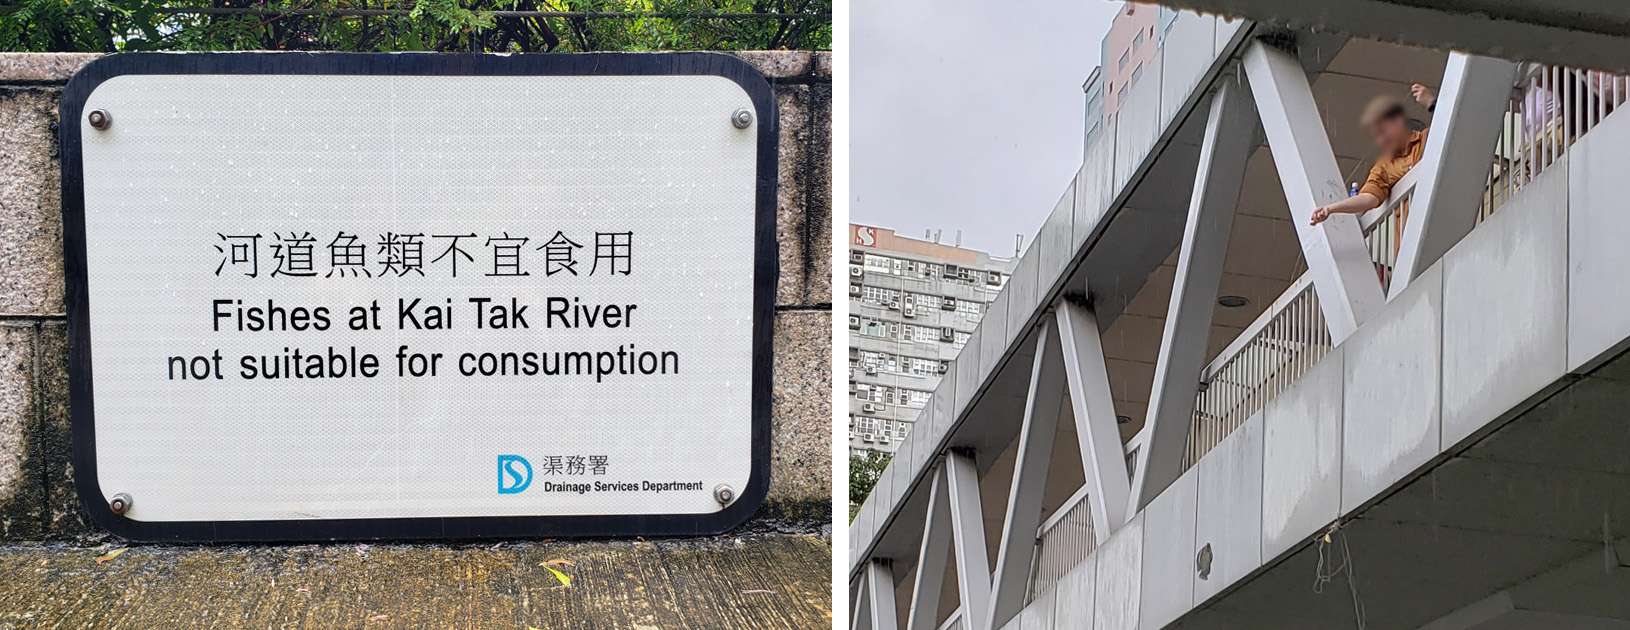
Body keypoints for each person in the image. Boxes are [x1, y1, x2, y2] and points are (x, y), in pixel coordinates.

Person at [1309, 83, 1437, 225]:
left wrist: (1432, 103)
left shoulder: (1429, 138)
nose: (1381, 140)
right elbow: (1368, 198)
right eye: (1376, 136)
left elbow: (1456, 133)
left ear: (1398, 122)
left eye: (1383, 131)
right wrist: (1330, 209)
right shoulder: (1384, 165)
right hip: (1412, 235)